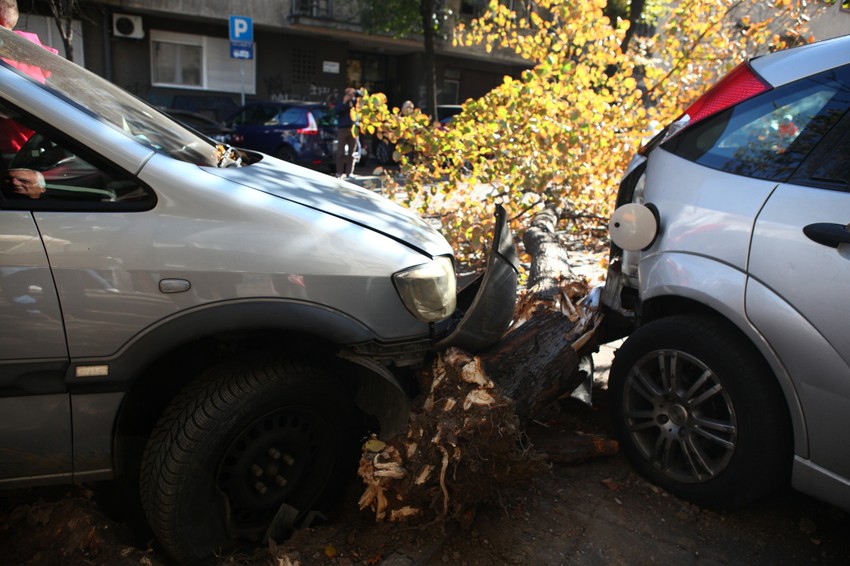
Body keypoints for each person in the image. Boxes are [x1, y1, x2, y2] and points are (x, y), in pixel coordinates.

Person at [334, 87, 358, 178]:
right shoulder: (341, 101)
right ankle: (339, 172)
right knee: (341, 152)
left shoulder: (355, 103)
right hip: (343, 129)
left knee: (352, 152)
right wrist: (344, 102)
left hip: (353, 129)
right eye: (350, 94)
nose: (352, 96)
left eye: (353, 94)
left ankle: (349, 172)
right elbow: (336, 111)